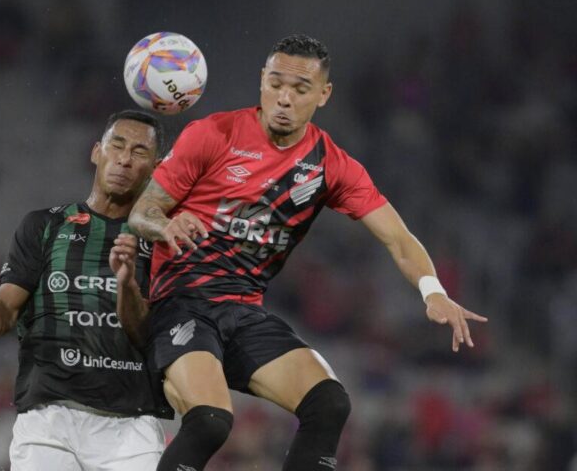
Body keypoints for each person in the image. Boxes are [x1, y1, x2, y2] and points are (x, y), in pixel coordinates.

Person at [125, 34, 488, 470]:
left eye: (299, 90)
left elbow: (398, 237)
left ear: (323, 94)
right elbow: (141, 212)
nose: (283, 98)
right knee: (210, 421)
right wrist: (164, 224)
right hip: (181, 304)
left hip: (243, 312)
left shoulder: (329, 164)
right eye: (275, 84)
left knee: (330, 403)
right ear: (261, 80)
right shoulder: (211, 134)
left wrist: (433, 291)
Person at [0, 110, 173, 471]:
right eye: (116, 145)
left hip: (131, 424)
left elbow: (147, 335)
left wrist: (127, 283)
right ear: (96, 151)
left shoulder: (161, 243)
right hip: (48, 418)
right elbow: (5, 314)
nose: (124, 159)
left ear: (156, 167)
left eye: (138, 151)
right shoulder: (45, 225)